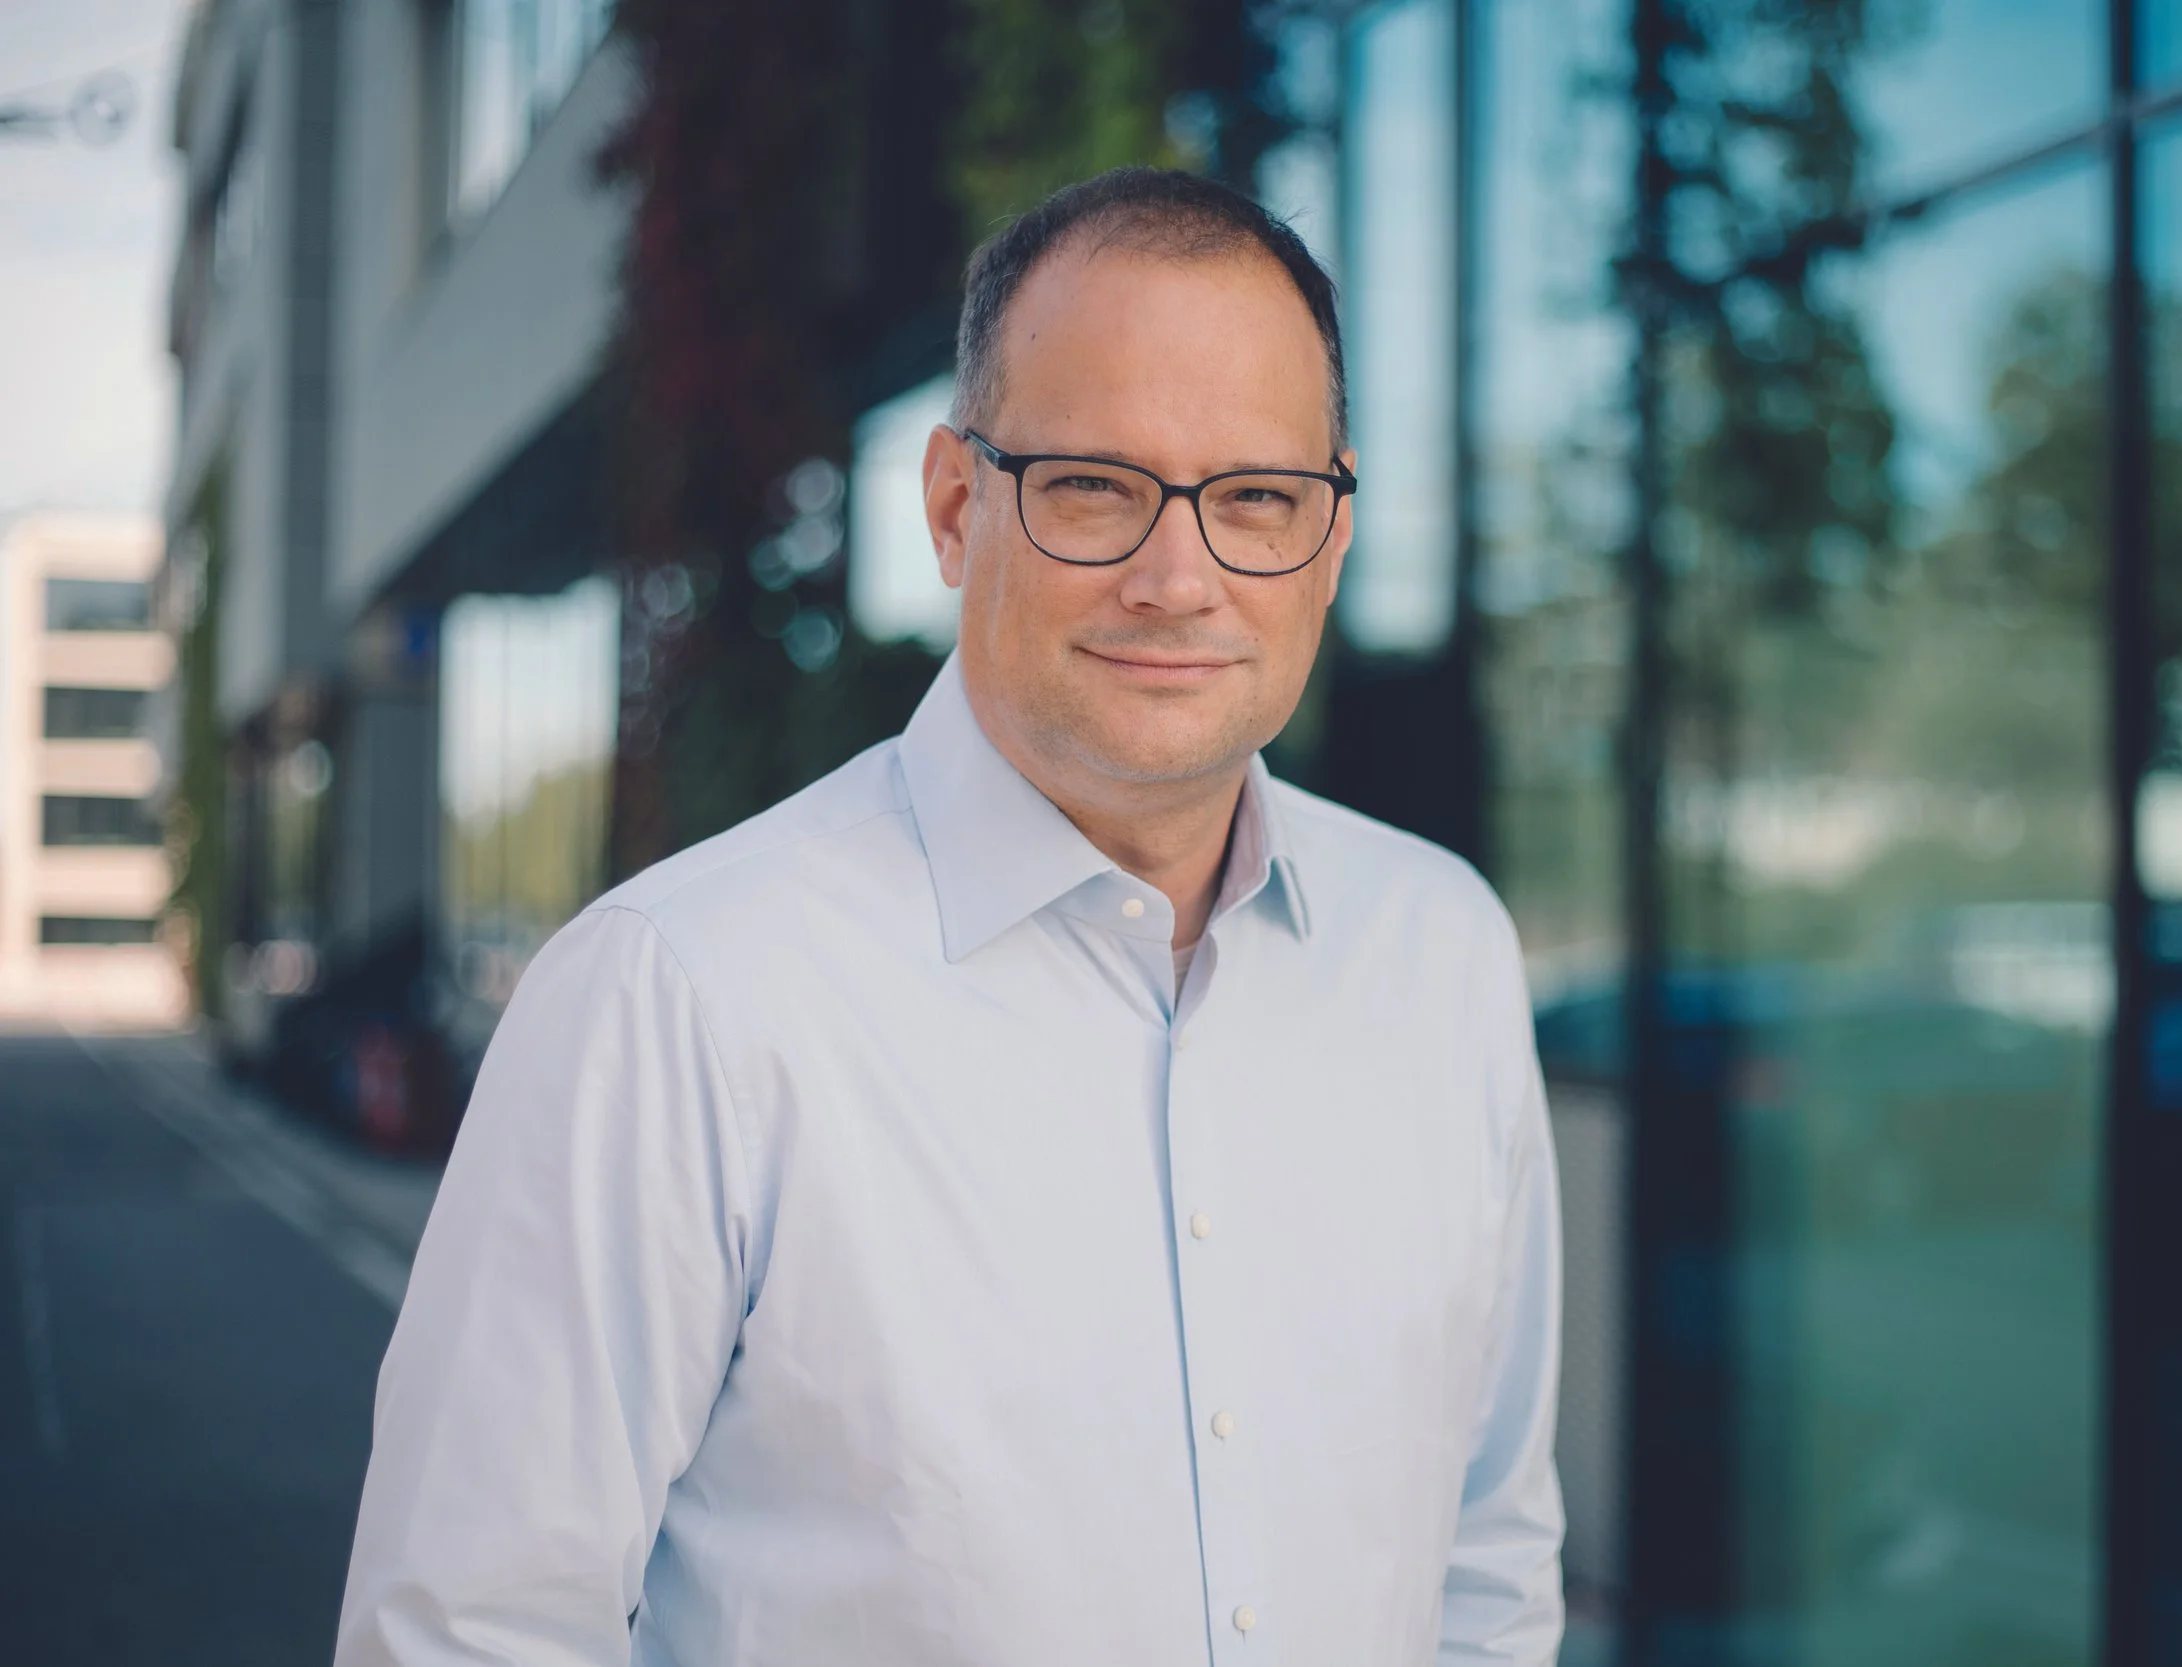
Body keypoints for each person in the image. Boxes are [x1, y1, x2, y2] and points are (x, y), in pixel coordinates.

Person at [336, 166, 1564, 1666]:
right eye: (1097, 487)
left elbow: (1490, 1560)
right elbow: (469, 1635)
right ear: (953, 506)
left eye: (1256, 497)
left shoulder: (1444, 957)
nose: (1179, 577)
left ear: (1332, 535)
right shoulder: (678, 998)